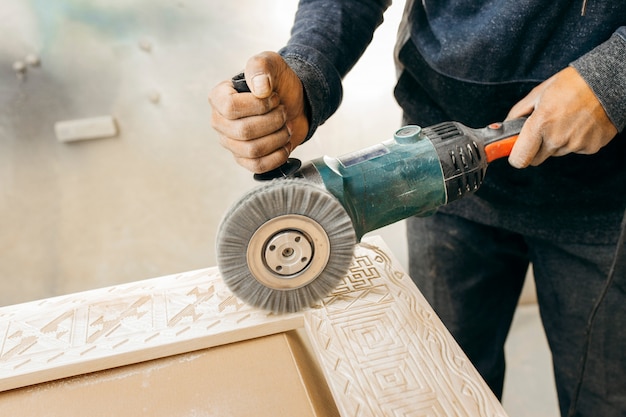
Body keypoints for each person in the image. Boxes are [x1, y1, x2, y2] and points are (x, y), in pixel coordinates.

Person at [209, 1, 626, 416]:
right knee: (445, 394)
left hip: (608, 195)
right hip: (444, 172)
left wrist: (612, 80)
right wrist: (306, 69)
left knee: (606, 402)